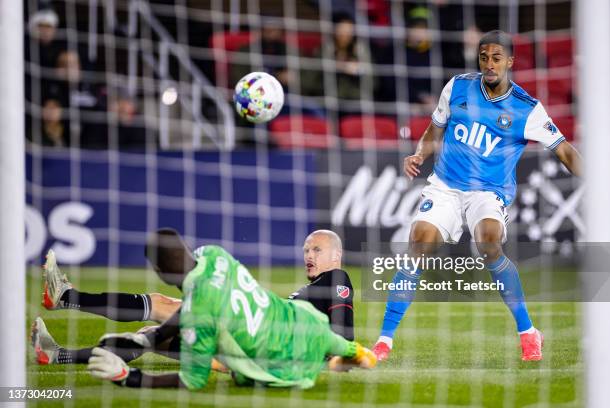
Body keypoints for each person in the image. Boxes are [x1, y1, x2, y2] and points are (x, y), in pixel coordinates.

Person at [371, 30, 581, 362]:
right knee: (418, 243)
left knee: (488, 243)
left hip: (488, 192)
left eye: (497, 57)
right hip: (446, 186)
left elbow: (565, 151)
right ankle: (384, 342)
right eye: (484, 57)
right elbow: (435, 128)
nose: (489, 64)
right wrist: (418, 155)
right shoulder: (457, 87)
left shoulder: (528, 109)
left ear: (510, 61)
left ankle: (528, 332)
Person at [40, 228, 375, 389]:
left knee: (160, 310)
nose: (309, 255)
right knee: (153, 325)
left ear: (336, 256)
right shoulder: (309, 289)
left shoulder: (337, 277)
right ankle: (58, 353)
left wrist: (329, 356)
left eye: (316, 249)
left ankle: (68, 298)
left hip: (255, 349)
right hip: (247, 345)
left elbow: (342, 333)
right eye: (306, 249)